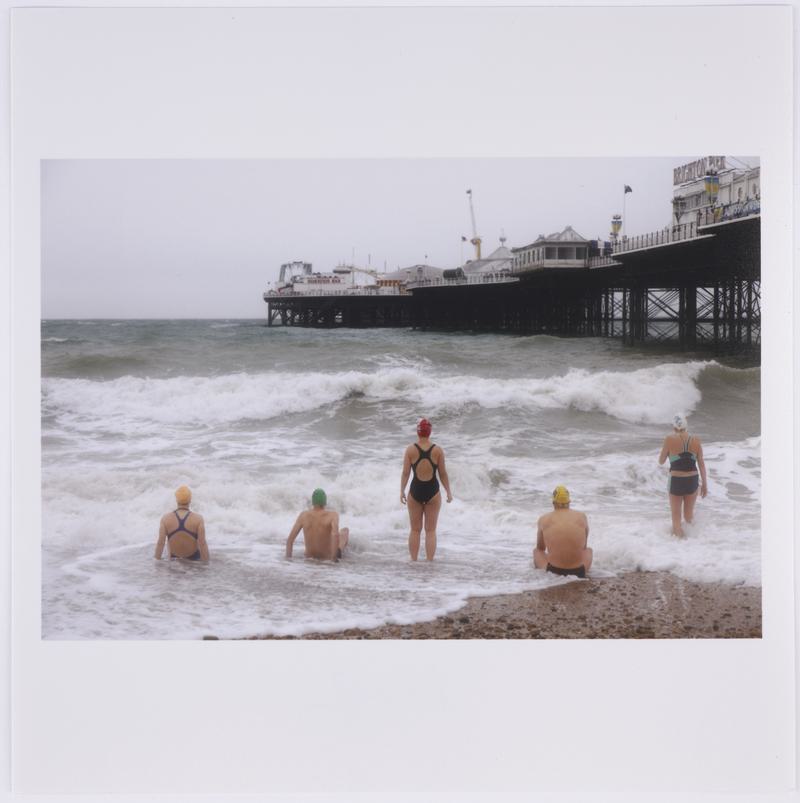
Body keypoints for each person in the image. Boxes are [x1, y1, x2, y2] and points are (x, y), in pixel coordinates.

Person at [400, 418, 453, 561]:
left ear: (418, 432)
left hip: (415, 491)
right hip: (433, 493)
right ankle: (430, 562)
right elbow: (442, 473)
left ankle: (414, 561)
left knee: (415, 530)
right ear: (429, 432)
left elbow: (405, 473)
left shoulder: (410, 450)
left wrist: (402, 491)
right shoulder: (437, 450)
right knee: (430, 531)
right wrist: (448, 491)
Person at [658, 412, 708, 538]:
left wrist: (670, 453)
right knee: (688, 516)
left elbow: (661, 461)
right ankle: (692, 544)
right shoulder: (696, 440)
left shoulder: (669, 439)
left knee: (676, 518)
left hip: (676, 480)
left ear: (674, 427)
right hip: (692, 480)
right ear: (686, 425)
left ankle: (679, 549)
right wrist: (705, 484)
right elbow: (701, 464)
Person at [534, 485, 592, 578]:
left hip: (554, 571)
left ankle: (540, 578)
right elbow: (583, 547)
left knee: (536, 551)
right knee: (588, 550)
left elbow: (540, 548)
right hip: (579, 571)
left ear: (554, 502)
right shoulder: (582, 516)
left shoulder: (544, 519)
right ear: (569, 502)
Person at [285, 488, 349, 561]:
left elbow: (290, 540)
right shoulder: (333, 515)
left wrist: (288, 560)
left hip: (309, 557)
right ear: (325, 501)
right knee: (345, 531)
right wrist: (334, 559)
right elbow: (335, 535)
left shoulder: (303, 515)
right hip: (326, 557)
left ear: (313, 502)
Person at [155, 485, 209, 561]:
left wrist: (156, 563)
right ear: (190, 500)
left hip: (174, 561)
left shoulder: (165, 519)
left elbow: (161, 543)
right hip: (194, 561)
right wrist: (206, 564)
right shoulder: (198, 519)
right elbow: (202, 543)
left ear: (176, 500)